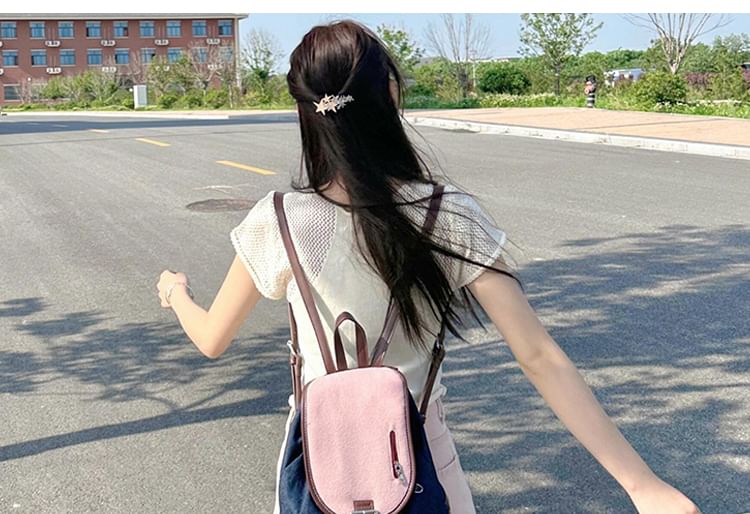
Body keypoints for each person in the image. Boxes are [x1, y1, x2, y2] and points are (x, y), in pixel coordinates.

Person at [156, 19, 702, 514]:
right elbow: (538, 356)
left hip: (318, 471)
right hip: (423, 463)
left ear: (306, 113)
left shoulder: (278, 218)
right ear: (390, 94)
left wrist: (177, 291)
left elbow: (212, 339)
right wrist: (641, 485)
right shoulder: (445, 214)